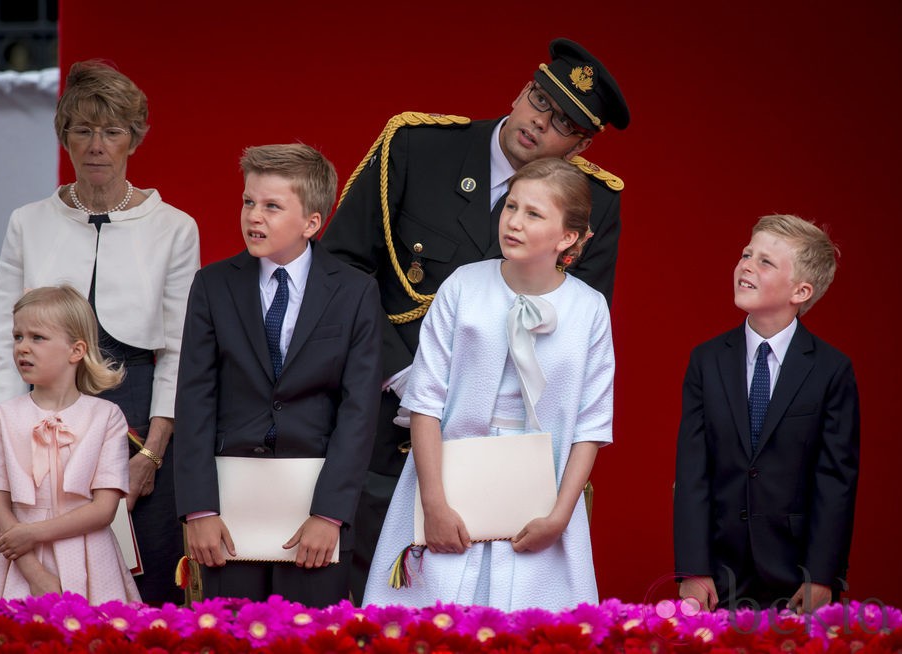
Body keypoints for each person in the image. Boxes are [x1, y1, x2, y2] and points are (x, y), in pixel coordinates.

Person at [321, 38, 630, 602]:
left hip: (516, 452)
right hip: (386, 414)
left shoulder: (595, 201)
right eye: (540, 99)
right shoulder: (416, 146)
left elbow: (572, 330)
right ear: (521, 90)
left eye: (563, 123)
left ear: (580, 146)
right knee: (397, 598)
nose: (540, 121)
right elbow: (342, 269)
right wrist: (401, 376)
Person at [0, 60, 200, 605]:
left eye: (112, 131)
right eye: (82, 130)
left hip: (140, 417)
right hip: (43, 417)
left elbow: (178, 350)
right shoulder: (26, 222)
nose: (97, 145)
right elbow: (0, 341)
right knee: (47, 574)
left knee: (148, 576)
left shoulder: (175, 227)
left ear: (135, 137)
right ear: (65, 137)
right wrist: (2, 440)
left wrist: (150, 455)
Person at [363, 158, 614, 611]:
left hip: (542, 495)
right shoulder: (463, 286)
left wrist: (559, 517)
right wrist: (435, 505)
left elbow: (591, 426)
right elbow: (425, 402)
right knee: (430, 623)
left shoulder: (589, 309)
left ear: (569, 237)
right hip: (447, 481)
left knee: (534, 627)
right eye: (511, 206)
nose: (513, 222)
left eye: (534, 214)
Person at [174, 144, 382, 607]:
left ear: (311, 222)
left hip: (317, 506)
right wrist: (200, 509)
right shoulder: (212, 285)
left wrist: (329, 514)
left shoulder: (354, 291)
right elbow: (194, 400)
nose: (254, 216)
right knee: (230, 637)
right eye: (249, 202)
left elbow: (359, 411)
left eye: (271, 206)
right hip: (229, 511)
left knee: (312, 639)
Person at [673, 214, 860, 613]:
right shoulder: (706, 361)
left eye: (765, 262)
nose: (746, 265)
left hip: (795, 574)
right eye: (746, 254)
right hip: (718, 571)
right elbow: (692, 471)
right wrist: (692, 567)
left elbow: (835, 480)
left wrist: (822, 575)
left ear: (801, 290)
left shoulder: (831, 370)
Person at [0, 286, 141, 604]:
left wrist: (32, 533)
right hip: (21, 561)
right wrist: (35, 573)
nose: (23, 347)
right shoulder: (0, 417)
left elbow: (104, 509)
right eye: (18, 337)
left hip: (90, 556)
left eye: (37, 337)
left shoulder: (106, 417)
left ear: (76, 350)